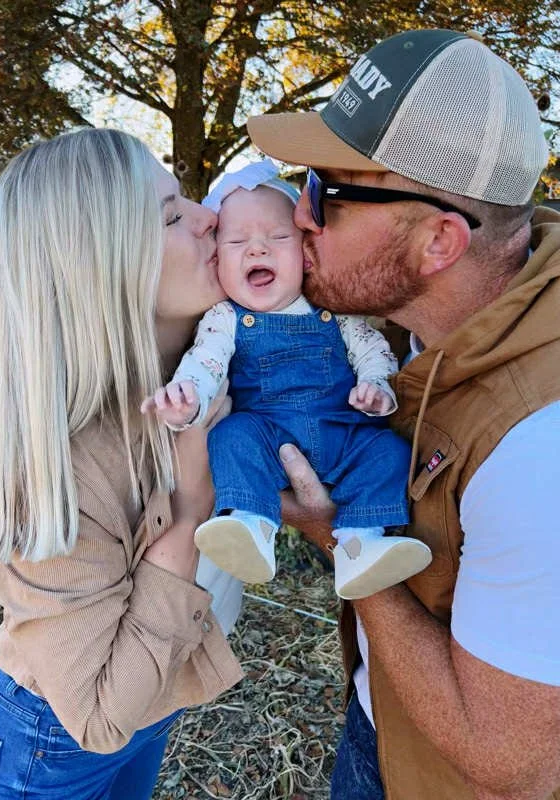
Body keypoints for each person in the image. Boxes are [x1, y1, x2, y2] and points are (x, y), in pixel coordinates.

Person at [247, 27, 560, 800]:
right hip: (384, 726)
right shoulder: (408, 314)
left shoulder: (538, 452)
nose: (300, 218)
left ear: (438, 242)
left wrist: (342, 542)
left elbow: (512, 765)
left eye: (327, 193)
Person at [0, 128, 244, 800]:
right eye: (173, 216)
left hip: (159, 692)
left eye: (190, 200)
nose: (211, 220)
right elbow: (97, 713)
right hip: (46, 743)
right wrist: (190, 509)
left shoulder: (209, 360)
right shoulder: (53, 462)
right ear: (101, 268)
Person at [142, 160, 431, 600]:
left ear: (304, 251)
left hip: (344, 432)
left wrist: (378, 388)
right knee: (232, 434)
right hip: (269, 436)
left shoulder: (334, 309)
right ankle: (249, 523)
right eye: (237, 242)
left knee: (389, 451)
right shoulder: (225, 318)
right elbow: (205, 364)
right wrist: (188, 400)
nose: (258, 251)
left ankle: (362, 541)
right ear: (218, 259)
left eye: (278, 238)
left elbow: (374, 351)